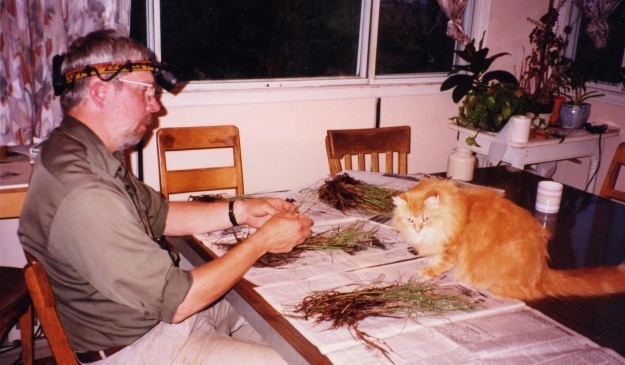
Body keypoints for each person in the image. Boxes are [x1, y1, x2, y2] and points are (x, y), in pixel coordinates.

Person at [18, 29, 313, 364]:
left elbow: (162, 214)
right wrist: (261, 242)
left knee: (296, 324)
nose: (156, 106)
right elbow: (179, 301)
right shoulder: (84, 191)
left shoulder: (83, 150)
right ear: (100, 92)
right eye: (146, 93)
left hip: (161, 321)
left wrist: (241, 211)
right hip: (141, 348)